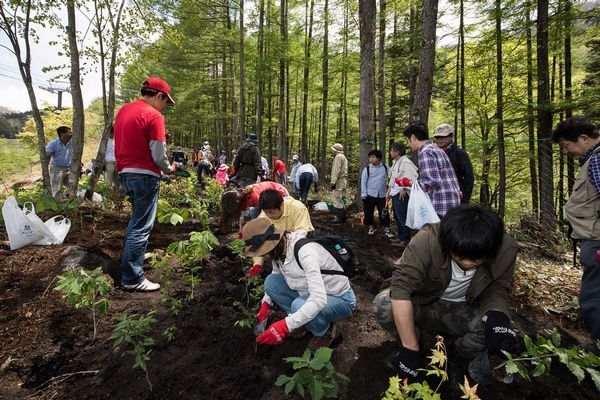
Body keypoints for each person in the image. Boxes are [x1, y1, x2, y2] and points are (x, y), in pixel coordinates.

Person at [372, 206, 518, 383]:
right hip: (423, 303)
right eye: (460, 255)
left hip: (463, 309)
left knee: (495, 329)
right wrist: (409, 349)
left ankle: (456, 358)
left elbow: (498, 287)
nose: (467, 263)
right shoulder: (427, 240)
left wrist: (497, 314)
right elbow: (401, 288)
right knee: (383, 304)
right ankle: (411, 344)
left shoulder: (506, 249)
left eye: (476, 258)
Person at [243, 218, 356, 351]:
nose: (265, 255)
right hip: (309, 293)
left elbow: (318, 299)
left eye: (265, 251)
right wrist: (266, 302)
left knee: (298, 305)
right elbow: (276, 272)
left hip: (338, 299)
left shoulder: (305, 252)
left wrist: (285, 326)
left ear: (273, 244)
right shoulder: (280, 249)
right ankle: (304, 320)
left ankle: (327, 332)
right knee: (271, 282)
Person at [114, 77, 177, 292]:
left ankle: (128, 266)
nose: (164, 108)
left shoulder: (124, 110)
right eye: (165, 103)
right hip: (144, 175)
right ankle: (132, 278)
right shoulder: (154, 116)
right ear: (159, 96)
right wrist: (169, 170)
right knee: (141, 227)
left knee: (135, 222)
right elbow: (158, 155)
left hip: (125, 172)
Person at [552, 116, 600, 349]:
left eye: (566, 146)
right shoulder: (592, 161)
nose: (566, 151)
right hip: (593, 238)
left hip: (598, 240)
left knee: (593, 297)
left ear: (583, 138)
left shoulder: (598, 160)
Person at [245, 189, 316, 280]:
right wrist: (257, 264)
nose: (269, 215)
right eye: (266, 212)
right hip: (281, 251)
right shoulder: (264, 216)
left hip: (303, 248)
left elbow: (301, 237)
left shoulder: (298, 208)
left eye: (271, 212)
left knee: (301, 275)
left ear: (282, 205)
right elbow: (259, 242)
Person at [403, 122, 461, 217]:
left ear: (413, 138)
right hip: (451, 204)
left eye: (407, 140)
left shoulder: (425, 152)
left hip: (440, 207)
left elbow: (431, 181)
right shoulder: (436, 148)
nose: (408, 144)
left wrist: (410, 183)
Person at [219, 181, 289, 233]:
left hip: (281, 194)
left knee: (256, 214)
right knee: (252, 214)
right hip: (267, 199)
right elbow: (243, 217)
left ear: (234, 203)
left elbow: (264, 213)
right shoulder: (242, 200)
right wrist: (241, 233)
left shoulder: (254, 196)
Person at [433, 124, 474, 205]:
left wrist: (464, 202)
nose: (439, 140)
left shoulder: (459, 153)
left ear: (451, 136)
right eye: (437, 137)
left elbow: (469, 178)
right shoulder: (433, 153)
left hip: (456, 198)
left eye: (443, 137)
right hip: (436, 198)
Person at [387, 142, 418, 246]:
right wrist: (389, 192)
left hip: (402, 193)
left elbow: (412, 177)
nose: (390, 152)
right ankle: (401, 237)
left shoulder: (406, 162)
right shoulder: (396, 162)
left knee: (402, 216)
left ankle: (405, 240)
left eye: (392, 150)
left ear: (397, 152)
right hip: (395, 192)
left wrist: (404, 188)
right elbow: (393, 178)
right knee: (397, 215)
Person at [360, 149, 390, 236]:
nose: (371, 159)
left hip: (382, 195)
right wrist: (364, 194)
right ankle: (371, 228)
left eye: (373, 157)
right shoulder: (367, 169)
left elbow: (392, 177)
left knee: (384, 213)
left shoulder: (385, 167)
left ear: (379, 158)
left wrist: (390, 191)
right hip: (369, 195)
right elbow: (363, 182)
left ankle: (387, 230)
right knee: (368, 212)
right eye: (370, 157)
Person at [45, 126, 73, 201]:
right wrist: (45, 171)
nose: (71, 134)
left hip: (69, 167)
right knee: (56, 188)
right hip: (57, 168)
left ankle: (69, 201)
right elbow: (47, 156)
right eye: (69, 132)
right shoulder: (53, 144)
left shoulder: (73, 142)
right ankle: (57, 204)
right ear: (62, 134)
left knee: (71, 186)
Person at [330, 143, 349, 223]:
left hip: (339, 181)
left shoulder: (338, 157)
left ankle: (339, 217)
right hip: (343, 180)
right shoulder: (343, 157)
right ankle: (344, 215)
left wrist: (333, 182)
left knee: (336, 198)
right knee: (340, 198)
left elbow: (336, 170)